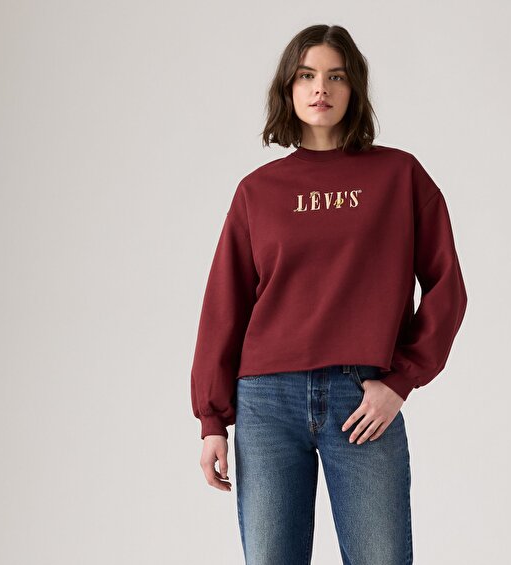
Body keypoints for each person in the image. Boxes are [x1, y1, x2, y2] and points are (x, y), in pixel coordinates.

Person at [190, 24, 468, 565]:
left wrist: (401, 380)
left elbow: (447, 286)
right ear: (288, 89)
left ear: (354, 88)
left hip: (361, 398)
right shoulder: (257, 191)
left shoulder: (399, 176)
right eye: (307, 75)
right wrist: (211, 421)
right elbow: (225, 306)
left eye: (336, 76)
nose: (321, 88)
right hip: (267, 402)